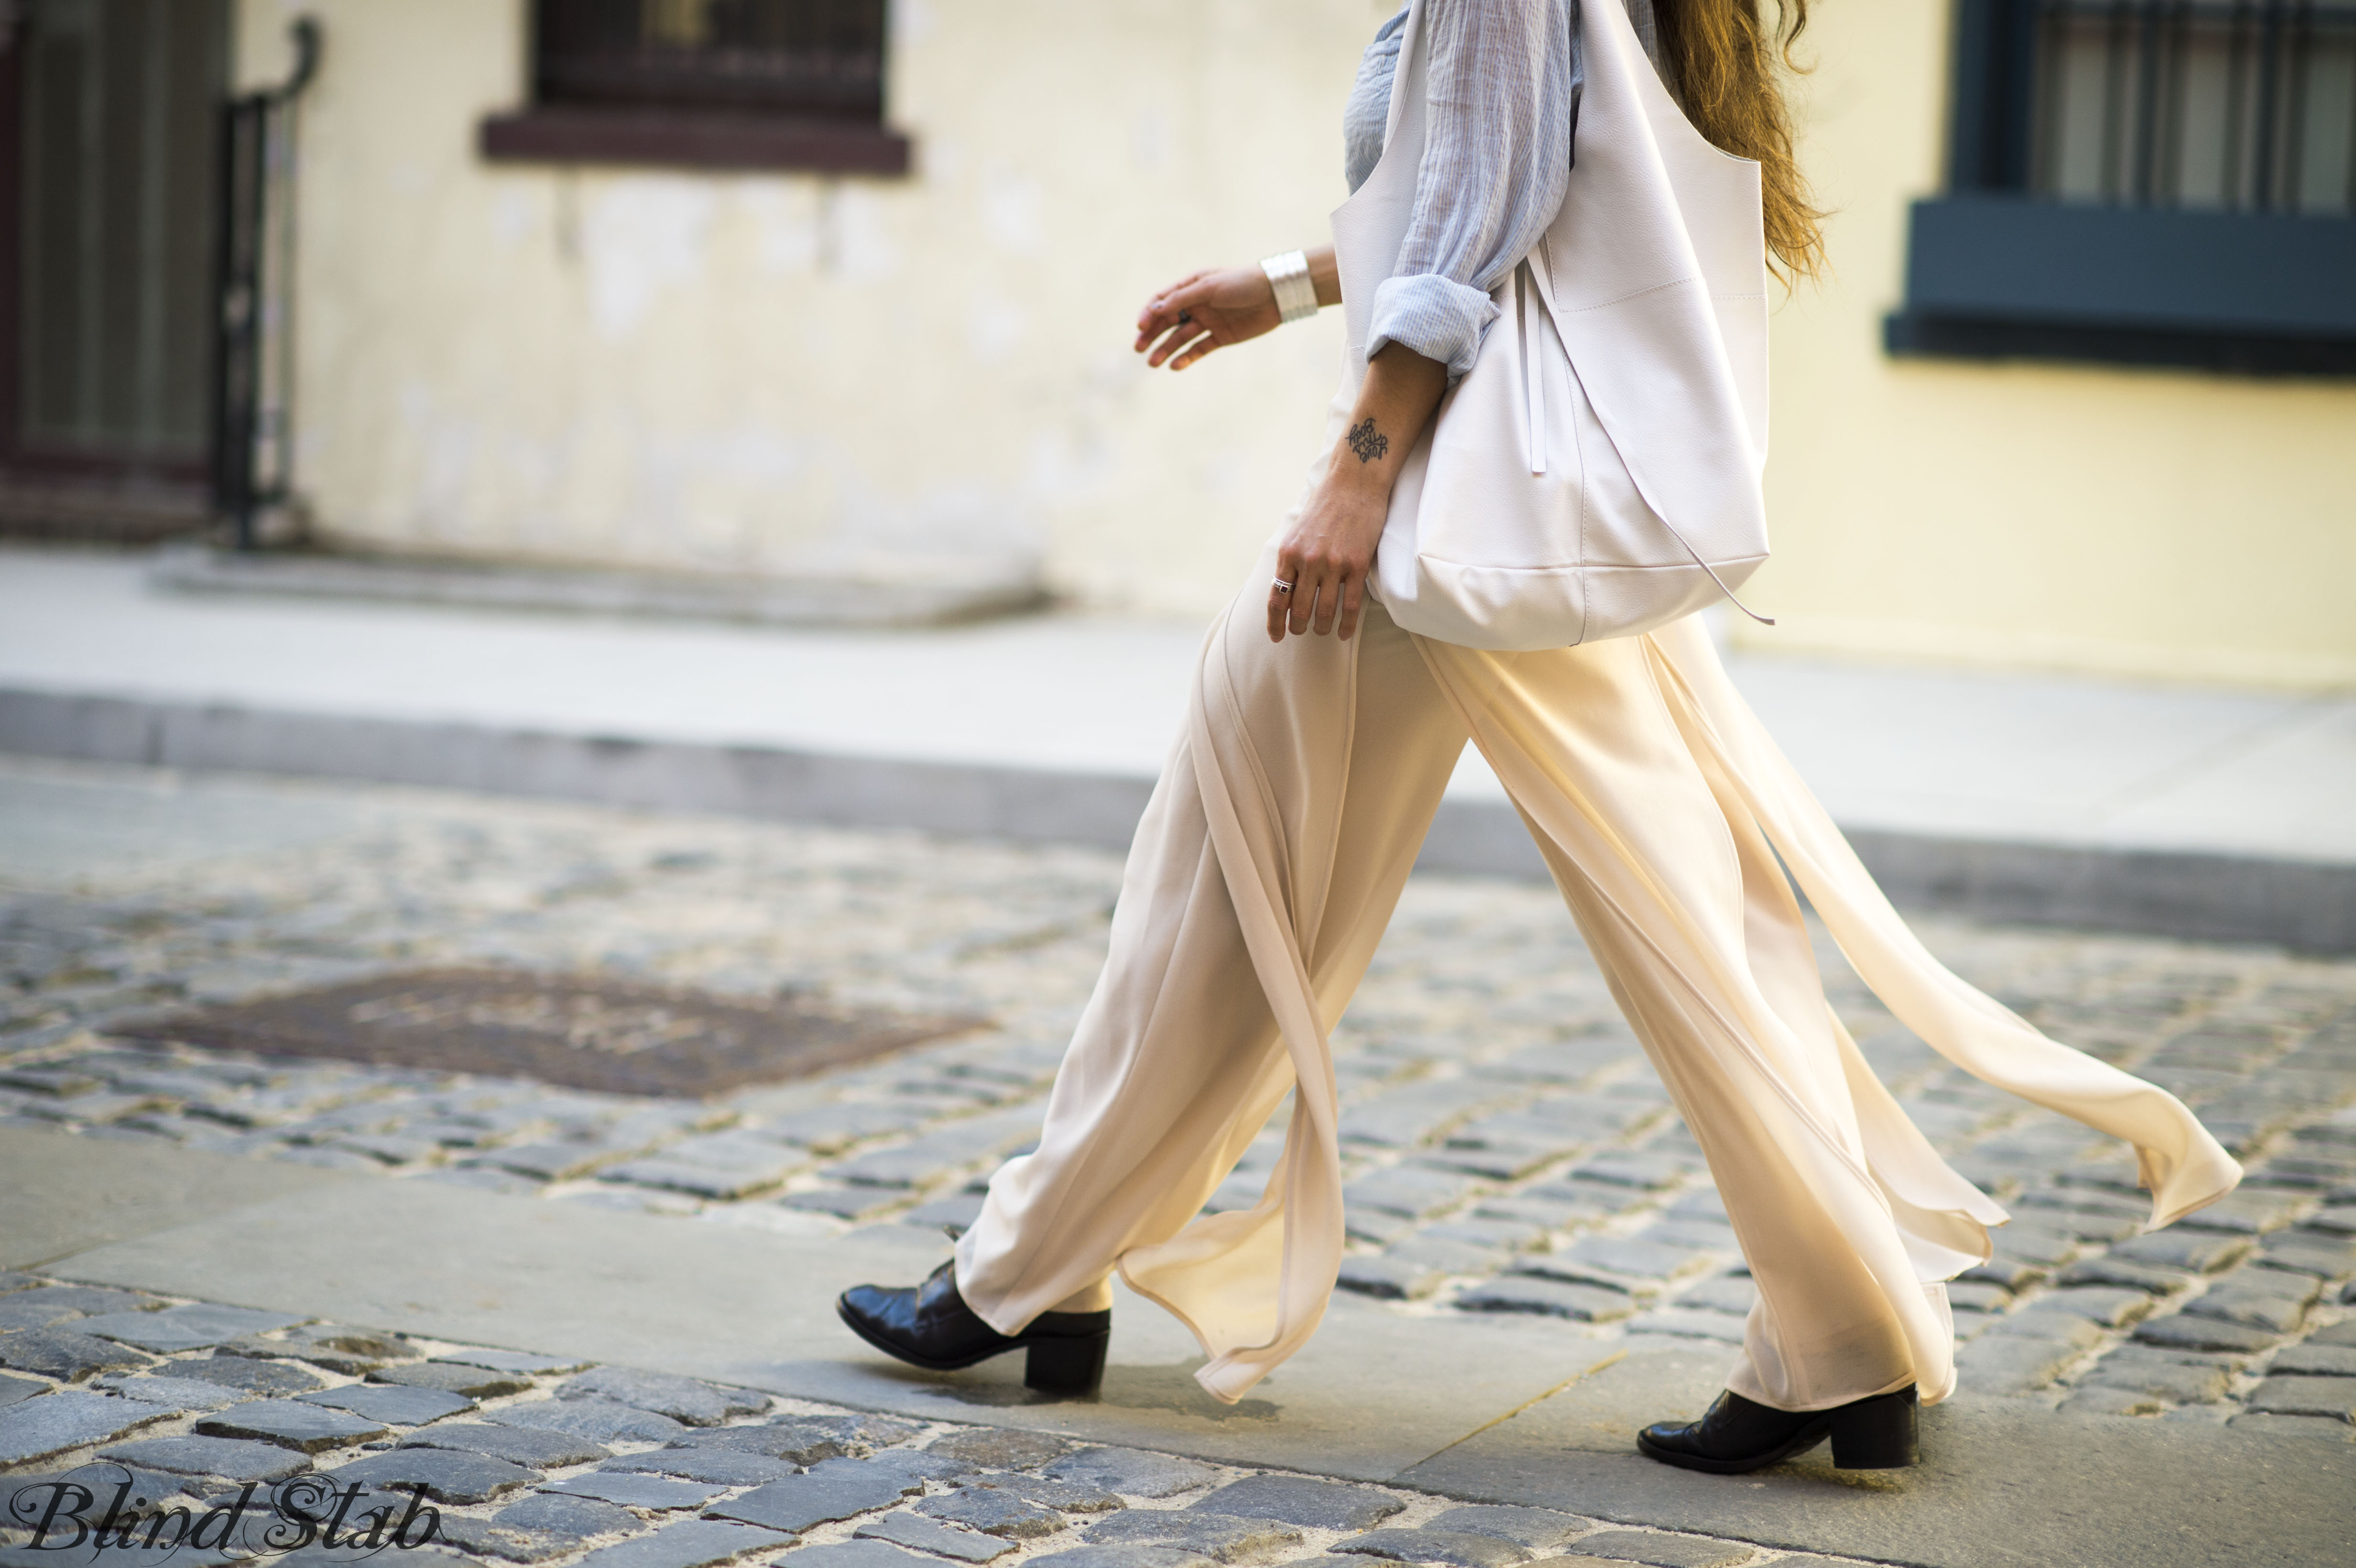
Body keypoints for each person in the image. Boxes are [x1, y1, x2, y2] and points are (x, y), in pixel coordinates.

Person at [838, 0, 2241, 1475]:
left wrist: (1356, 473)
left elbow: (1473, 220)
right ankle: (1839, 1336)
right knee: (1640, 905)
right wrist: (1287, 283)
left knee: (1265, 876)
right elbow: (1500, 186)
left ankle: (1033, 1271)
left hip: (1453, 508)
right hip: (1517, 508)